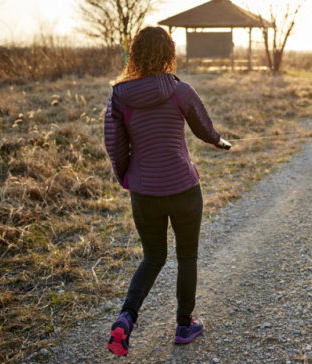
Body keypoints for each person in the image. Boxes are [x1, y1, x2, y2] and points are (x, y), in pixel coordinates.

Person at [103, 26, 231, 357]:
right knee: (187, 257)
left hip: (144, 193)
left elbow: (114, 145)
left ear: (136, 54)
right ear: (168, 55)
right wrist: (218, 140)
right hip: (184, 188)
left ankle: (126, 318)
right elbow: (204, 128)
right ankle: (184, 325)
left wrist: (127, 178)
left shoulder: (119, 95)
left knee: (153, 256)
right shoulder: (180, 90)